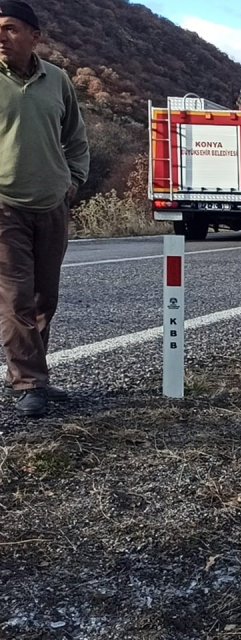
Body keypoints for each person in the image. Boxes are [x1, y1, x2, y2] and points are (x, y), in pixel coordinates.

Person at [0, 1, 90, 418]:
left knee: (43, 298)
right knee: (15, 297)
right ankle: (30, 382)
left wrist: (73, 181)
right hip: (4, 207)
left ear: (35, 35)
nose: (2, 36)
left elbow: (75, 136)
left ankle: (36, 378)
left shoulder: (57, 79)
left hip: (53, 203)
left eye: (10, 28)